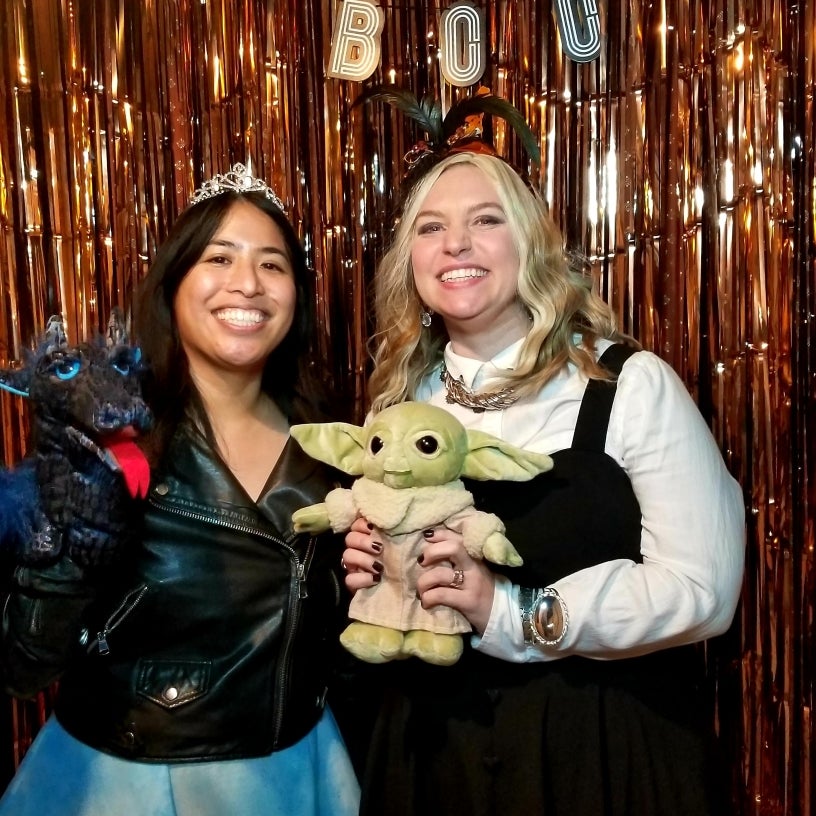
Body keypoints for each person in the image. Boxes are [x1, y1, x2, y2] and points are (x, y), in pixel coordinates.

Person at [342, 150, 746, 815]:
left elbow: (704, 593)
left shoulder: (628, 385)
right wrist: (376, 568)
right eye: (430, 227)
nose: (456, 245)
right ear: (410, 260)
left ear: (530, 242)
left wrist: (509, 613)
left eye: (485, 219)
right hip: (435, 765)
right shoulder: (397, 405)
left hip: (602, 758)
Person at [0, 165, 360, 815]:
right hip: (129, 783)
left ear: (296, 296)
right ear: (174, 283)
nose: (246, 283)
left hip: (298, 773)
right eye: (218, 257)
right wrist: (63, 562)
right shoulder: (104, 443)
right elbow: (22, 668)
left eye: (272, 265)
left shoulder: (334, 444)